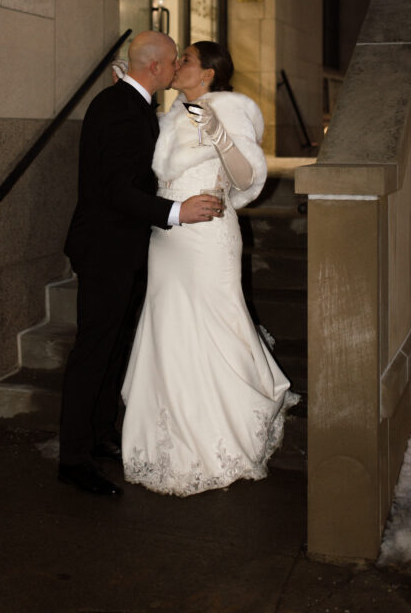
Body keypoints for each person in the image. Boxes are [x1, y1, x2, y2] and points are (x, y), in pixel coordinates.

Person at [121, 41, 298, 496]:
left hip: (208, 239)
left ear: (210, 74)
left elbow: (247, 180)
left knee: (215, 325)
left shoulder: (230, 109)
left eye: (187, 61)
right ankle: (168, 433)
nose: (178, 66)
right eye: (178, 60)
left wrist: (220, 135)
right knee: (170, 329)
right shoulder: (170, 116)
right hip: (168, 239)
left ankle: (223, 429)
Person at [59, 31, 224, 496]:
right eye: (174, 61)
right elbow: (115, 190)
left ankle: (100, 435)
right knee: (93, 352)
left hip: (128, 248)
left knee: (113, 350)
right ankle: (73, 458)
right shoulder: (116, 109)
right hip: (105, 250)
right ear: (156, 68)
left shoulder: (131, 105)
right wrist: (177, 212)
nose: (176, 68)